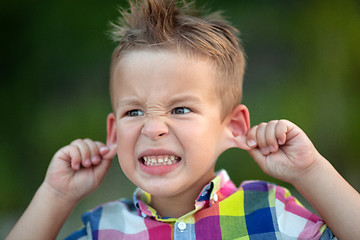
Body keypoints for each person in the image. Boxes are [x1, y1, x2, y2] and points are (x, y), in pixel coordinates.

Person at [6, 0, 360, 239]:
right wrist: (55, 195)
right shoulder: (104, 228)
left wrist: (310, 170)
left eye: (180, 109)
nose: (153, 127)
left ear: (233, 127)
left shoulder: (269, 214)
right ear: (114, 132)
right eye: (134, 111)